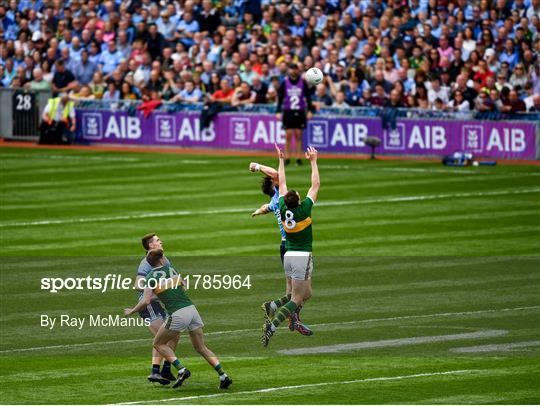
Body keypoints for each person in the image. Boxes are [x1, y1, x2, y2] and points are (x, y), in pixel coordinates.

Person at [124, 248, 233, 390]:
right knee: (201, 347)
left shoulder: (150, 277)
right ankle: (223, 376)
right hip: (192, 310)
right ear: (162, 259)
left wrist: (131, 311)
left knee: (158, 343)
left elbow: (146, 301)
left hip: (177, 314)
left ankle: (181, 370)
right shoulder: (172, 270)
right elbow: (183, 287)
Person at [261, 144, 320, 347]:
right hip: (302, 256)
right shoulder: (304, 210)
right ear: (299, 201)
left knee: (307, 293)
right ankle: (273, 326)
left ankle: (273, 305)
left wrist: (281, 159)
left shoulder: (284, 205)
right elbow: (315, 185)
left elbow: (283, 182)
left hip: (289, 254)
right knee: (296, 298)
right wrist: (313, 162)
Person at [248, 162, 313, 336]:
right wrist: (257, 166)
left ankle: (277, 309)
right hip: (294, 246)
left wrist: (257, 212)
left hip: (284, 246)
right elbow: (276, 174)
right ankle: (290, 318)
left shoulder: (276, 201)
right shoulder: (282, 197)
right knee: (299, 293)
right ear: (273, 185)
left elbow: (265, 208)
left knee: (291, 290)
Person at [134, 233, 178, 385]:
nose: (161, 241)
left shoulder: (163, 258)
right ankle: (156, 371)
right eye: (158, 240)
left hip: (158, 305)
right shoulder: (146, 263)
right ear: (151, 246)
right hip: (149, 305)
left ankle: (164, 369)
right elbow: (138, 284)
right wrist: (152, 289)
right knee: (163, 338)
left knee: (174, 335)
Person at [276, 63, 314, 166]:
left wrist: (310, 110)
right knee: (288, 135)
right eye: (291, 69)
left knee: (298, 135)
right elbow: (280, 98)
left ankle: (298, 157)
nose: (293, 71)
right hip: (288, 111)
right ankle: (287, 157)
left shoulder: (303, 82)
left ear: (298, 70)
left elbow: (308, 97)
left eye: (295, 69)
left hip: (300, 111)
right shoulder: (285, 82)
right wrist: (278, 110)